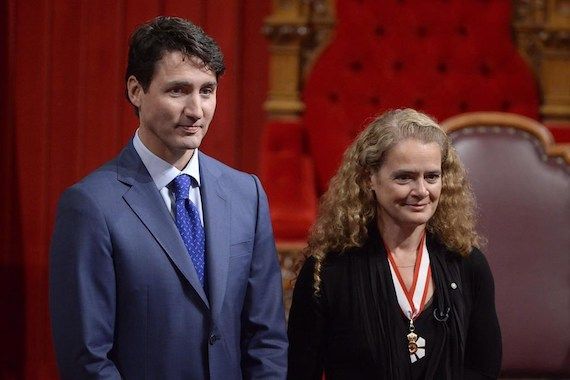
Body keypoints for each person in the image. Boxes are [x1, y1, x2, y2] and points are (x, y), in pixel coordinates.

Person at [49, 16, 287, 379]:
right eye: (178, 90)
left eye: (207, 91)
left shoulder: (247, 194)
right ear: (136, 91)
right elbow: (87, 358)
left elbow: (267, 338)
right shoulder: (90, 206)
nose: (196, 111)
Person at [287, 109, 501, 379]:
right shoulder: (326, 272)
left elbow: (483, 370)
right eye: (405, 177)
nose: (422, 191)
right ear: (369, 179)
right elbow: (300, 372)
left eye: (432, 177)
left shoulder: (468, 263)